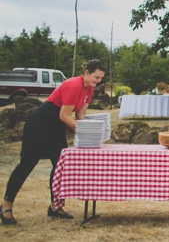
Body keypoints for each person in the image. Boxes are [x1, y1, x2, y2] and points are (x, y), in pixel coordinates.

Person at [1, 59, 106, 225]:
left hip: (56, 126)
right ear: (87, 72)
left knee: (59, 166)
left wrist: (96, 132)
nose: (98, 81)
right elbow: (64, 115)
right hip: (41, 122)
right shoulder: (73, 85)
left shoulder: (89, 90)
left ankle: (55, 207)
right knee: (27, 164)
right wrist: (85, 131)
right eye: (96, 77)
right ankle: (6, 205)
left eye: (100, 78)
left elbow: (79, 116)